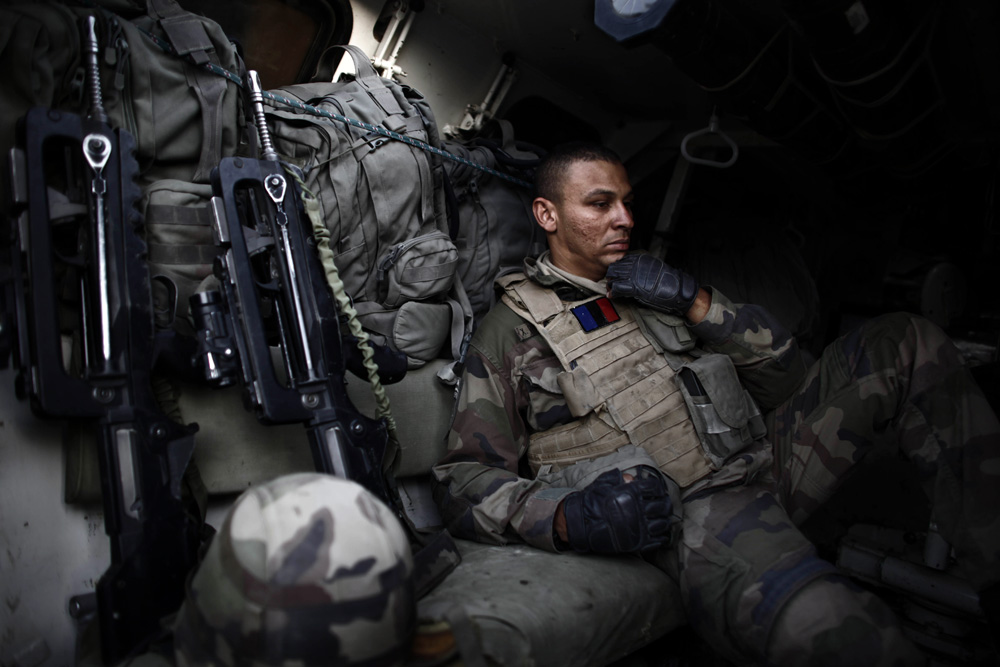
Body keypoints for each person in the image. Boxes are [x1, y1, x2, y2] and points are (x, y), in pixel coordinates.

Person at [431, 142, 1000, 665]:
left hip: (763, 459)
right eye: (601, 204)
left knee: (906, 337)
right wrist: (565, 516)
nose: (625, 220)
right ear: (547, 216)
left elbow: (786, 378)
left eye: (627, 204)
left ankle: (990, 560)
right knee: (832, 628)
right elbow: (463, 481)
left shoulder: (654, 286)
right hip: (690, 509)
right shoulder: (509, 333)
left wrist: (695, 300)